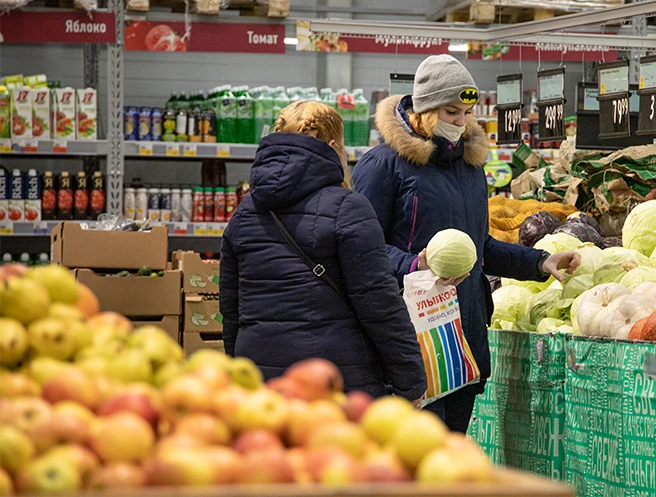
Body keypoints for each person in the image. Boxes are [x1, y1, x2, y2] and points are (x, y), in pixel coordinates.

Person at [352, 55, 577, 431]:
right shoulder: (383, 165)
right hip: (411, 336)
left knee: (451, 457)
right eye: (451, 112)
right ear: (424, 109)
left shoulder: (471, 170)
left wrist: (539, 263)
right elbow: (363, 250)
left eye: (466, 113)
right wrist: (415, 265)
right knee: (419, 460)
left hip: (463, 335)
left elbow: (480, 247)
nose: (459, 123)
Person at [219, 100, 427, 401]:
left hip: (262, 387)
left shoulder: (243, 214)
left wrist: (239, 372)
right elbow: (380, 306)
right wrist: (411, 382)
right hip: (333, 384)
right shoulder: (349, 208)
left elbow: (231, 309)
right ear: (333, 146)